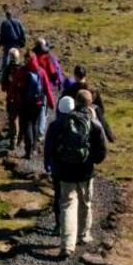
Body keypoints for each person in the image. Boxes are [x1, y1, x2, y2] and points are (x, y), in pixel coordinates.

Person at [47, 89, 107, 258]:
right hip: (86, 170)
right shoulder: (93, 122)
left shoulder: (65, 121)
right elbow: (102, 150)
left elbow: (53, 147)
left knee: (67, 204)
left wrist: (57, 165)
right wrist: (92, 160)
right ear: (89, 104)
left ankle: (67, 245)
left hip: (65, 170)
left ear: (76, 101)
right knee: (86, 201)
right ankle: (83, 235)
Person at [43, 95, 75, 236]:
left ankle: (58, 225)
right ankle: (73, 227)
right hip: (74, 165)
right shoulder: (78, 124)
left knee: (58, 195)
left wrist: (47, 163)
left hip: (57, 166)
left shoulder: (54, 126)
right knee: (72, 197)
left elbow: (48, 147)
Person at [12, 49, 50, 159]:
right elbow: (47, 88)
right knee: (35, 124)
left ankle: (28, 151)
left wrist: (12, 97)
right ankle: (34, 148)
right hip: (37, 103)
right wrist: (51, 103)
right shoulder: (41, 71)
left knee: (27, 125)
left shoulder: (21, 71)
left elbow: (13, 86)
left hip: (24, 103)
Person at [63, 64, 115, 143]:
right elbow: (101, 109)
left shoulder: (68, 91)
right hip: (90, 119)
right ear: (85, 75)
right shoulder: (93, 90)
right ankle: (110, 136)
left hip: (72, 121)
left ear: (75, 75)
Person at [32, 38, 60, 139]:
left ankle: (33, 129)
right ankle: (40, 132)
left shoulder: (32, 56)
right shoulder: (47, 58)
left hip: (31, 87)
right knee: (43, 109)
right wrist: (56, 80)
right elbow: (52, 72)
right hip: (44, 86)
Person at [2, 48, 24, 150]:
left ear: (10, 57)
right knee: (22, 118)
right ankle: (21, 138)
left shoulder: (8, 68)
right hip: (22, 98)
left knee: (12, 118)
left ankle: (13, 141)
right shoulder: (23, 68)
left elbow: (3, 84)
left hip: (12, 98)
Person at [0, 5, 26, 83]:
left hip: (7, 43)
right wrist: (23, 41)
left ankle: (4, 72)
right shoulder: (18, 22)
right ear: (11, 15)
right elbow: (22, 32)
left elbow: (2, 34)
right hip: (16, 42)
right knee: (16, 55)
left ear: (6, 16)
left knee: (6, 57)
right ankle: (17, 70)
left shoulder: (4, 23)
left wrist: (1, 42)